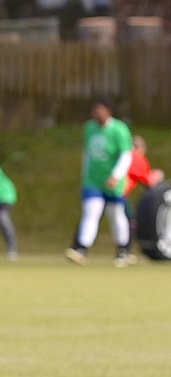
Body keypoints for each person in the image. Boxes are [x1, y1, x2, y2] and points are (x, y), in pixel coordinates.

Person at [67, 98, 135, 267]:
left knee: (116, 215)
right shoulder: (89, 128)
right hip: (93, 181)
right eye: (94, 110)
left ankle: (122, 250)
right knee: (91, 213)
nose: (96, 114)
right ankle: (81, 249)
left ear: (108, 111)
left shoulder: (119, 129)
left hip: (113, 182)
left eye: (100, 110)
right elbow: (88, 153)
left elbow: (126, 155)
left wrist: (116, 175)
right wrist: (84, 174)